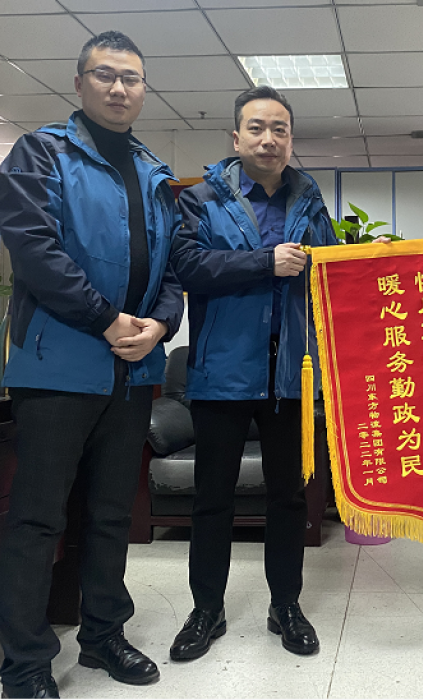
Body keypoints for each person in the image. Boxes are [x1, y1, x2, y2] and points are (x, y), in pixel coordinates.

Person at [0, 31, 183, 698]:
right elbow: (34, 250)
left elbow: (173, 268)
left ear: (144, 89)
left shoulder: (155, 173)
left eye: (131, 77)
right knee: (37, 519)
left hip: (132, 372)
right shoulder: (40, 153)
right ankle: (24, 663)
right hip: (57, 368)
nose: (118, 87)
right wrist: (106, 319)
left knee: (111, 515)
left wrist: (160, 324)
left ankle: (104, 636)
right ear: (79, 84)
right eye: (104, 75)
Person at [168, 85, 337, 662]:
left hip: (291, 375)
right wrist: (265, 262)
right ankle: (206, 610)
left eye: (280, 129)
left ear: (291, 138)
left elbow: (330, 276)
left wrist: (372, 258)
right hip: (221, 372)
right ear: (236, 137)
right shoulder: (202, 199)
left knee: (288, 497)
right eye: (257, 128)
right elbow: (188, 264)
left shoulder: (309, 200)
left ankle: (285, 605)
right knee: (212, 498)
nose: (269, 139)